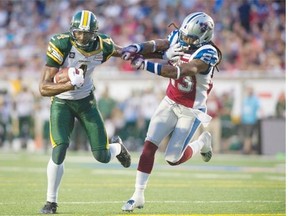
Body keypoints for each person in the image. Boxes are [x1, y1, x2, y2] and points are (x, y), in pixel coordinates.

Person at [120, 12, 222, 211]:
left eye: (191, 38)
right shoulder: (180, 36)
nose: (185, 39)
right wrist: (137, 48)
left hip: (190, 110)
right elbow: (159, 45)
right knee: (149, 145)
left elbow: (180, 71)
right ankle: (137, 195)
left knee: (172, 159)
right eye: (184, 34)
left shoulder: (208, 53)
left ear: (203, 38)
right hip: (170, 101)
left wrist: (143, 63)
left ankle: (202, 142)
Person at [38, 10, 131, 214]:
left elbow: (126, 52)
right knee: (60, 147)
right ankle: (51, 201)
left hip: (86, 101)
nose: (81, 37)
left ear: (95, 33)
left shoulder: (103, 45)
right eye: (78, 32)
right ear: (72, 31)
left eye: (86, 33)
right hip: (61, 103)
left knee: (102, 155)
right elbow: (43, 88)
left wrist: (159, 53)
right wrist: (70, 85)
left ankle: (117, 148)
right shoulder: (60, 43)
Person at [240, 86, 260, 154]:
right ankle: (248, 149)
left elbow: (258, 108)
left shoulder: (255, 99)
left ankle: (246, 149)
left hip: (251, 120)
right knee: (246, 136)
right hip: (244, 120)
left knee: (248, 136)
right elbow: (243, 110)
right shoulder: (245, 99)